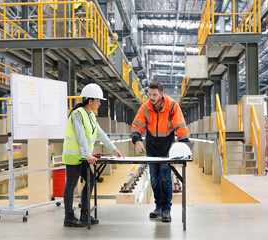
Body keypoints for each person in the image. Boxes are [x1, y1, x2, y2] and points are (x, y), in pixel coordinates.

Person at [62, 83, 124, 227]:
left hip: (83, 156)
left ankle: (84, 214)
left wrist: (114, 148)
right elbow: (80, 136)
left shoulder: (91, 116)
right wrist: (88, 154)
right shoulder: (78, 114)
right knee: (71, 185)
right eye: (98, 100)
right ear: (90, 101)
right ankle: (69, 217)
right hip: (74, 157)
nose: (99, 103)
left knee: (91, 180)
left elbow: (100, 134)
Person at [130, 81, 190, 222]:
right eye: (149, 94)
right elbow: (136, 125)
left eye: (154, 95)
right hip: (151, 147)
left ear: (161, 94)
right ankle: (158, 207)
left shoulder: (172, 106)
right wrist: (137, 140)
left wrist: (185, 148)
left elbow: (181, 126)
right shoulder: (145, 107)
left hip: (167, 148)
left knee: (165, 178)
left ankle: (166, 209)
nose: (151, 97)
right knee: (155, 179)